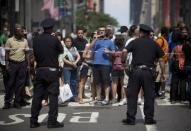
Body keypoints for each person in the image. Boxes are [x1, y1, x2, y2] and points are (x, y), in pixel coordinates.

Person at [122, 24, 164, 125]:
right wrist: (163, 72)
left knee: (132, 95)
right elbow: (161, 58)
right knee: (149, 96)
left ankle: (131, 119)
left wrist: (124, 63)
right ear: (149, 33)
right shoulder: (154, 44)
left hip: (135, 71)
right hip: (149, 72)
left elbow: (124, 51)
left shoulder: (135, 41)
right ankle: (149, 119)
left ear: (140, 32)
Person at [30, 18, 64, 128]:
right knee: (53, 96)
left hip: (39, 70)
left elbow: (35, 53)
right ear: (51, 28)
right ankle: (52, 121)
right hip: (52, 71)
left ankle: (33, 121)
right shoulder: (54, 39)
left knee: (37, 96)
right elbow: (61, 50)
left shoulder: (36, 39)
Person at [3, 24, 29, 109]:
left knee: (20, 84)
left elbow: (27, 53)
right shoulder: (9, 41)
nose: (23, 32)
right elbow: (6, 53)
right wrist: (7, 65)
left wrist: (27, 64)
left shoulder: (25, 41)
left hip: (22, 64)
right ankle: (7, 102)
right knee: (10, 84)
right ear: (16, 32)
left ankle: (17, 102)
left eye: (22, 31)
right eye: (21, 31)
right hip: (12, 64)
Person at [182, 35, 191, 109]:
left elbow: (183, 54)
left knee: (188, 83)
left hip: (187, 65)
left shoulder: (185, 46)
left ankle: (188, 98)